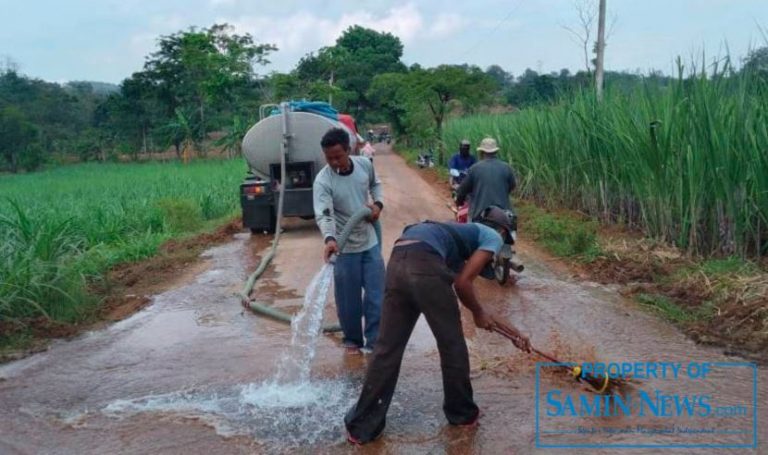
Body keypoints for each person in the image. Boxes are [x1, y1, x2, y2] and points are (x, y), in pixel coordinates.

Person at [344, 206, 531, 444]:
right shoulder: (493, 236)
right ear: (504, 231)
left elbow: (468, 294)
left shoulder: (452, 234)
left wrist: (512, 332)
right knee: (452, 344)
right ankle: (462, 414)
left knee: (386, 350)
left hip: (398, 260)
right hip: (424, 263)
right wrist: (478, 313)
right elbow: (463, 284)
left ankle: (361, 428)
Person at [313, 127, 385, 355]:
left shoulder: (364, 165)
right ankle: (352, 339)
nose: (334, 162)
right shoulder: (323, 181)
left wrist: (378, 205)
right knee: (348, 300)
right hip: (344, 248)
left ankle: (374, 341)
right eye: (329, 158)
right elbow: (324, 213)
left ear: (349, 150)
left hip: (370, 242)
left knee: (377, 297)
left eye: (338, 156)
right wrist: (330, 239)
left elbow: (376, 185)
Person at [455, 137, 516, 222]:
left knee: (471, 230)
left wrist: (459, 202)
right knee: (511, 230)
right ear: (496, 152)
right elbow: (512, 186)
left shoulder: (474, 169)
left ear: (481, 152)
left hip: (479, 215)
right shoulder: (507, 167)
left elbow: (462, 191)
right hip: (504, 214)